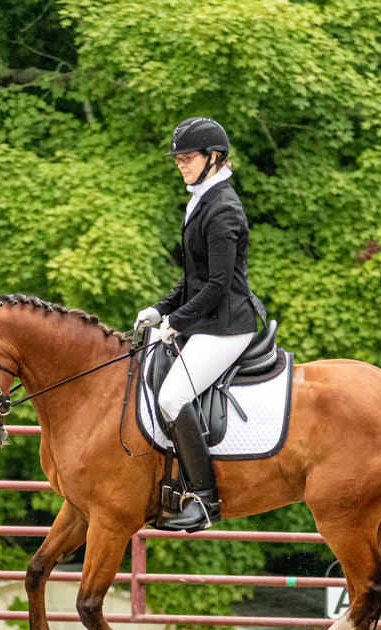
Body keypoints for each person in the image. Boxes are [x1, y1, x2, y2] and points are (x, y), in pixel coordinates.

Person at [134, 117, 266, 531]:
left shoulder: (224, 208)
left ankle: (206, 502)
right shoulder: (201, 199)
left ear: (214, 158)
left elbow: (217, 285)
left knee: (172, 397)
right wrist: (160, 309)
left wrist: (177, 320)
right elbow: (193, 276)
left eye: (187, 157)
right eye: (178, 158)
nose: (180, 164)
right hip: (206, 318)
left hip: (228, 324)